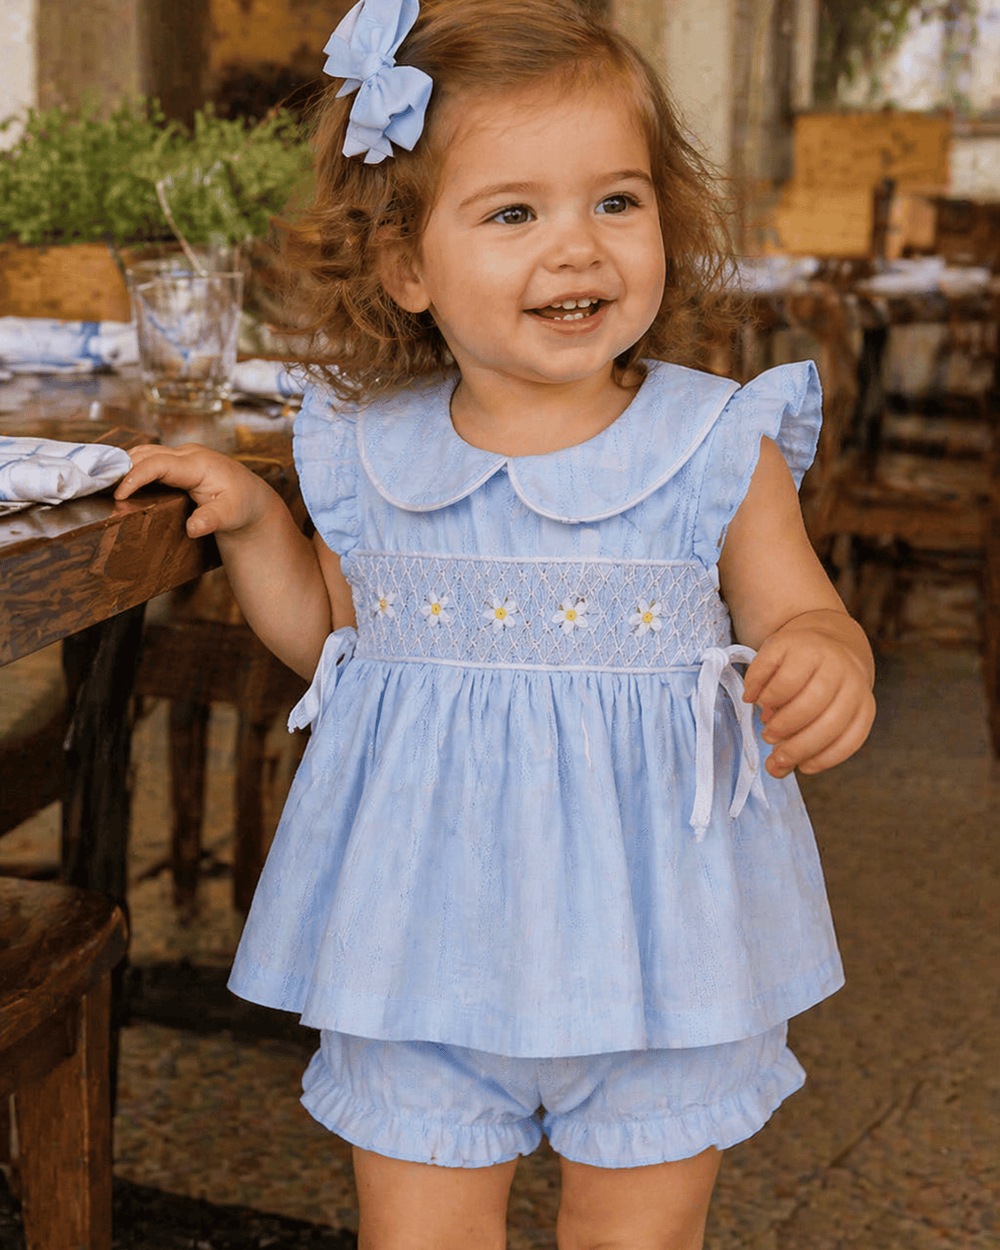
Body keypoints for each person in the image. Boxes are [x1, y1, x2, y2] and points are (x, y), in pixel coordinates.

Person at [116, 1, 876, 1246]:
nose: (575, 247)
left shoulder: (711, 440)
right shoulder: (370, 447)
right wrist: (257, 523)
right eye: (514, 212)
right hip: (418, 935)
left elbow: (800, 606)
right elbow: (341, 645)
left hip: (661, 944)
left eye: (615, 202)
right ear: (408, 264)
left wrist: (822, 656)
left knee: (636, 1232)